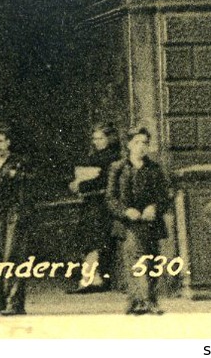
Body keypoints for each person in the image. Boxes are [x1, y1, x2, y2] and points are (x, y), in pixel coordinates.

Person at [107, 125, 172, 315]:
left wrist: (155, 207)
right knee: (137, 260)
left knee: (151, 261)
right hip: (129, 225)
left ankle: (138, 301)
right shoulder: (118, 168)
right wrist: (126, 211)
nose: (141, 147)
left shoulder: (155, 169)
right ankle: (146, 301)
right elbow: (110, 198)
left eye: (145, 143)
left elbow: (165, 195)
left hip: (151, 223)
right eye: (137, 142)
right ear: (128, 144)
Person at [0, 122, 33, 316]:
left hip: (14, 215)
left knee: (12, 258)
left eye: (3, 141)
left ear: (9, 142)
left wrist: (16, 175)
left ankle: (14, 304)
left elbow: (33, 181)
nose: (0, 145)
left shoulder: (19, 161)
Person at [70, 123, 122, 293]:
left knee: (94, 240)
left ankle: (90, 280)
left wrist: (81, 185)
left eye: (100, 138)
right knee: (90, 239)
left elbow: (105, 182)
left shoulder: (112, 158)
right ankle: (94, 278)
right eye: (95, 138)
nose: (96, 141)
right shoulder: (96, 156)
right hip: (91, 203)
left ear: (109, 139)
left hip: (101, 203)